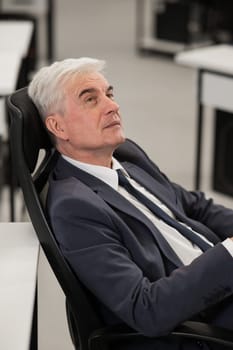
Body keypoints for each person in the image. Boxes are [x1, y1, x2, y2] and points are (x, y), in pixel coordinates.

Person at [28, 57, 233, 350]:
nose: (113, 106)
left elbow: (194, 206)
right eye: (90, 99)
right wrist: (229, 254)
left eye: (109, 94)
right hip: (202, 317)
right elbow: (146, 309)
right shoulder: (74, 208)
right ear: (58, 126)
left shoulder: (126, 155)